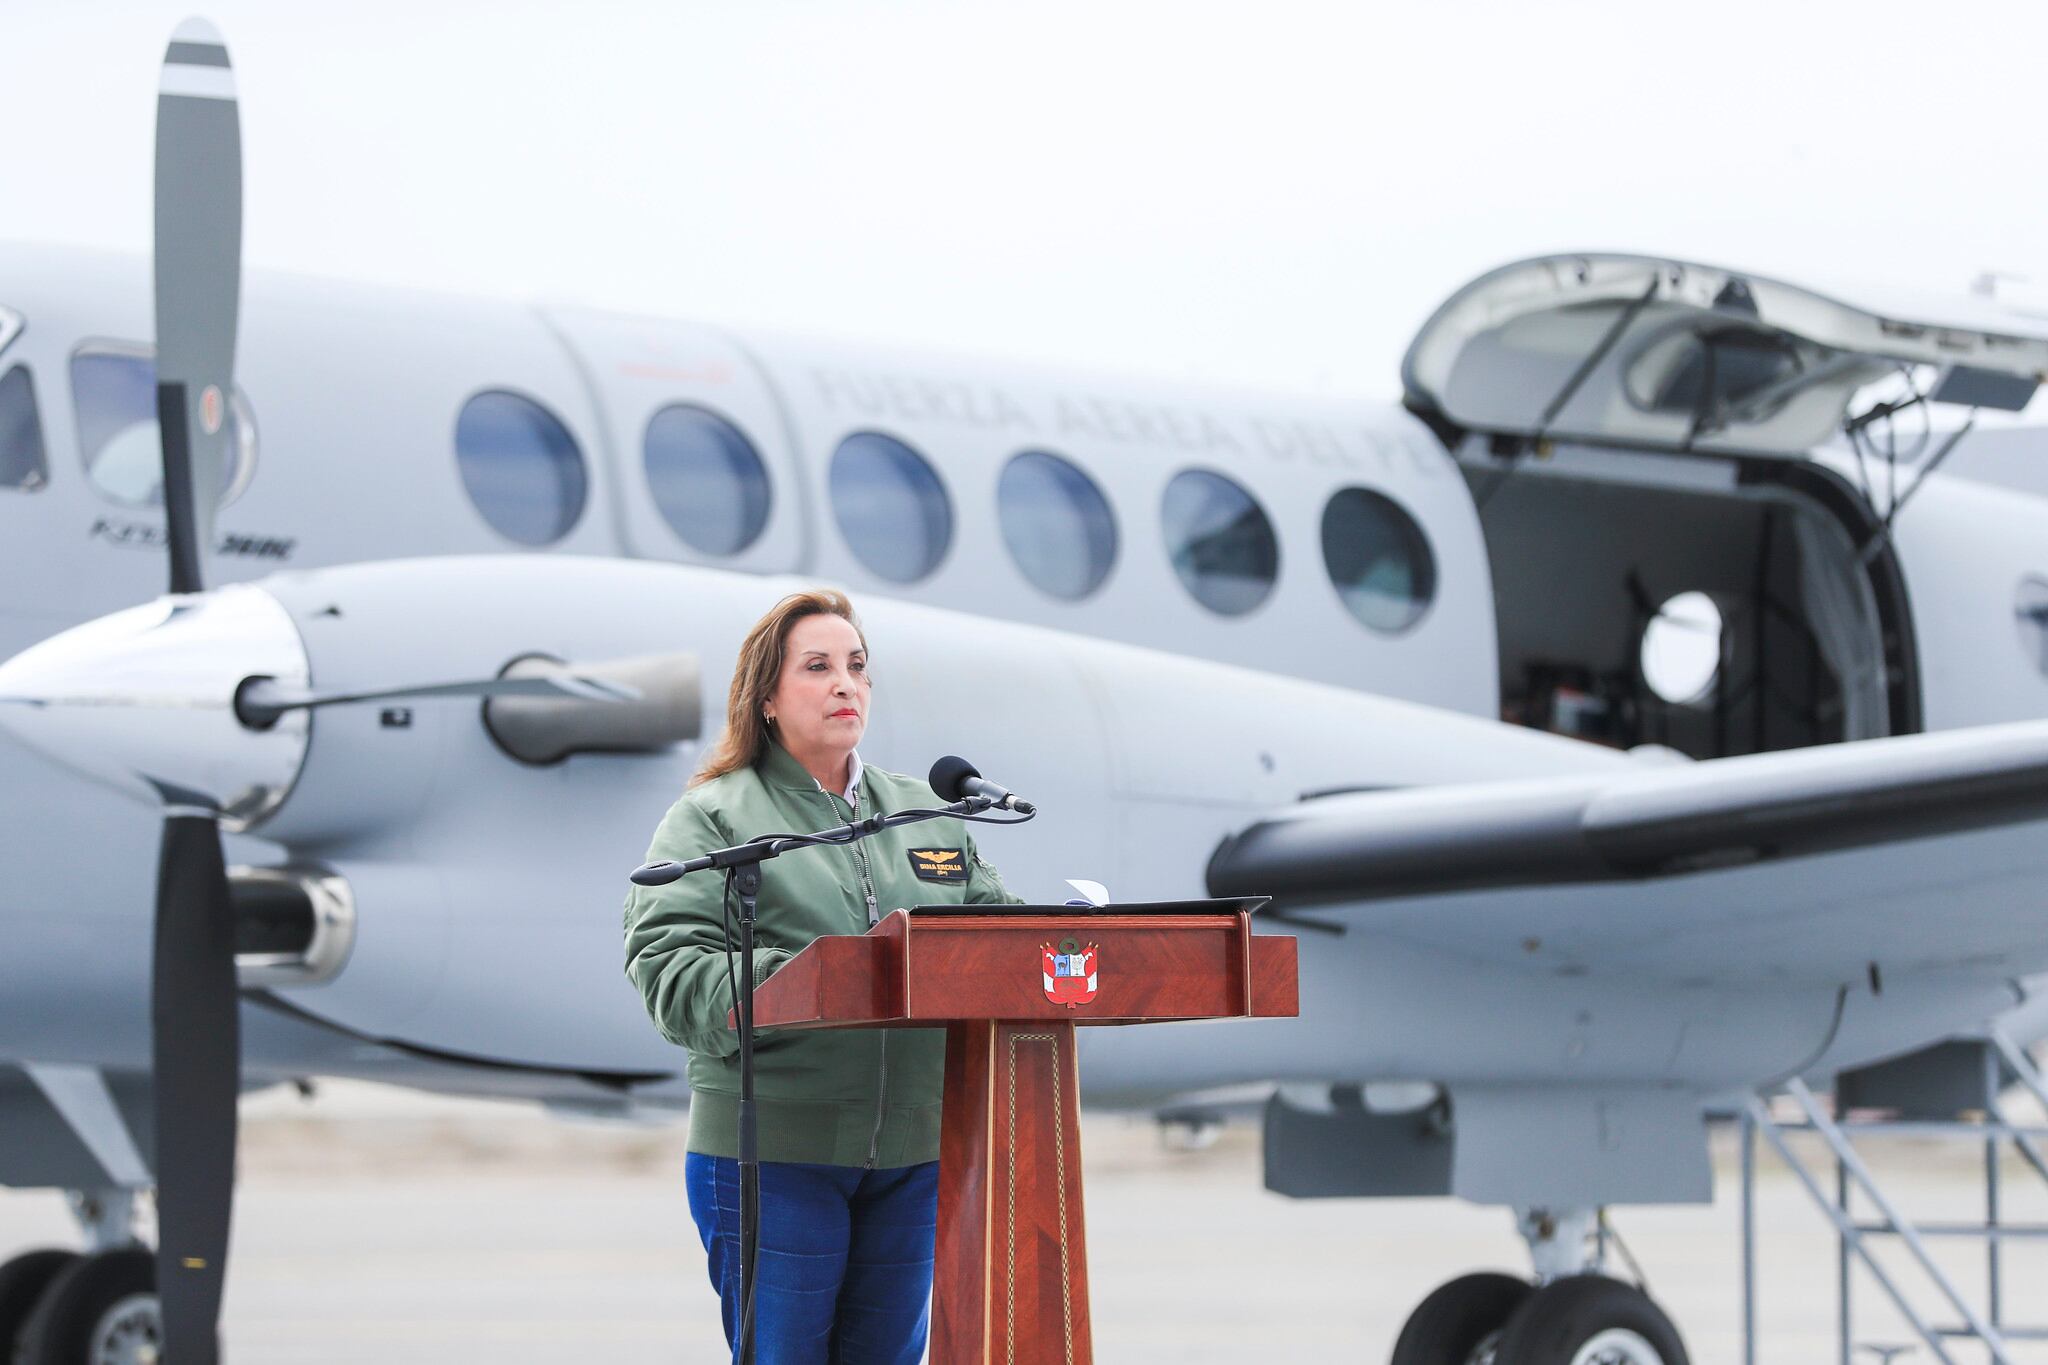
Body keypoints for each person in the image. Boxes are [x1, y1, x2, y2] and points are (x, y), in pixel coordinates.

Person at [623, 587, 1022, 1364]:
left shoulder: (928, 811)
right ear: (767, 698)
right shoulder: (715, 817)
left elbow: (997, 941)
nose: (846, 683)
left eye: (858, 666)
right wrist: (813, 979)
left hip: (913, 1158)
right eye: (818, 666)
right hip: (774, 1156)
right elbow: (670, 969)